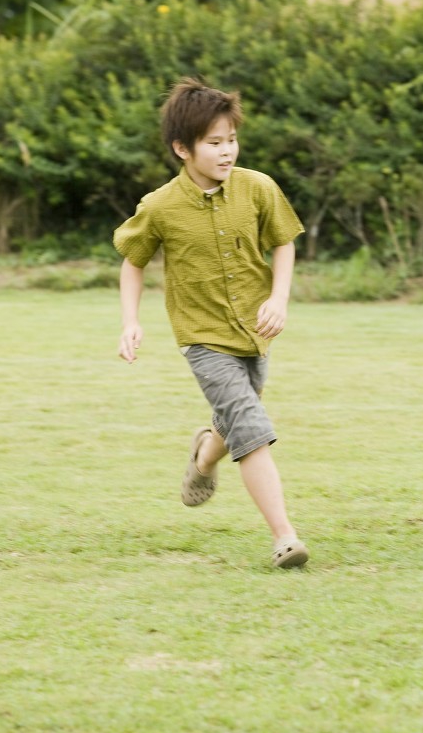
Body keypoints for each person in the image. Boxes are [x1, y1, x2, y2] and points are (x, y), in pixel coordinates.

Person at [114, 77, 309, 568]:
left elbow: (284, 240)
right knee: (251, 426)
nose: (227, 152)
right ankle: (285, 536)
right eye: (214, 143)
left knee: (239, 416)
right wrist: (130, 321)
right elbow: (133, 260)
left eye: (232, 141)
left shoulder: (258, 187)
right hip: (202, 338)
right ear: (183, 148)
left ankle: (204, 456)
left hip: (254, 331)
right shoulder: (159, 207)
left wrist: (280, 298)